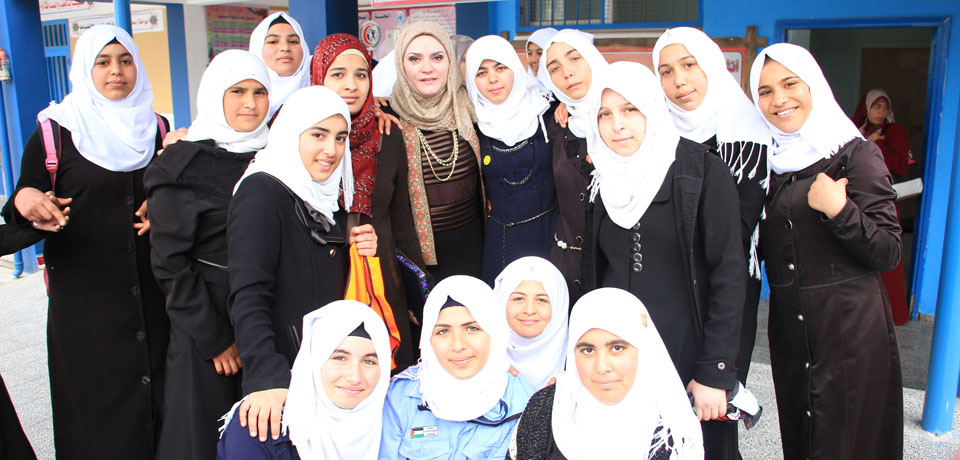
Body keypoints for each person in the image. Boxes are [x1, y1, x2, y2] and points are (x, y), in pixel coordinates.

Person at [0, 25, 170, 459]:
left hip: (154, 303)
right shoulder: (56, 131)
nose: (117, 71)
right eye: (103, 62)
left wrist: (164, 207)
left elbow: (176, 194)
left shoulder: (157, 129)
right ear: (84, 69)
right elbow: (24, 197)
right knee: (95, 418)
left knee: (161, 414)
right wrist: (25, 199)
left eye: (126, 61)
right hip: (86, 309)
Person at [581, 61, 745, 460]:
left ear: (652, 108)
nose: (617, 125)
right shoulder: (604, 178)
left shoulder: (700, 171)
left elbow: (728, 273)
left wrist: (714, 370)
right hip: (621, 358)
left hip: (687, 354)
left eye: (630, 109)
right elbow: (595, 275)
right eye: (604, 114)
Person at [750, 43, 903, 460]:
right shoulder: (767, 163)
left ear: (813, 85)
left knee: (847, 441)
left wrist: (840, 211)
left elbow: (889, 251)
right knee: (802, 438)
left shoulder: (856, 155)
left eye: (790, 84)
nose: (779, 99)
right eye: (765, 91)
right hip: (791, 332)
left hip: (850, 331)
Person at [226, 85, 378, 444]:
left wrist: (356, 247)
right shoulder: (262, 192)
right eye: (318, 135)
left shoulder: (318, 197)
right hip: (284, 384)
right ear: (292, 133)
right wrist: (266, 377)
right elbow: (248, 294)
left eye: (340, 138)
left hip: (322, 379)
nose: (332, 150)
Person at [145, 49, 270, 459]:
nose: (250, 103)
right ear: (215, 94)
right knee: (202, 437)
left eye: (259, 92)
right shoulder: (182, 165)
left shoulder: (278, 153)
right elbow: (169, 263)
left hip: (266, 318)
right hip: (207, 327)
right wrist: (215, 340)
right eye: (237, 92)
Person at [653, 26, 771, 385]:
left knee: (714, 396)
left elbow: (739, 230)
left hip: (723, 291)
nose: (679, 80)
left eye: (689, 65)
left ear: (711, 65)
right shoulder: (656, 134)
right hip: (663, 287)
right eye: (666, 71)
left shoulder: (749, 135)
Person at [310, 33, 425, 369]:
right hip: (322, 284)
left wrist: (415, 293)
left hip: (381, 281)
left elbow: (401, 219)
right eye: (338, 74)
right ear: (320, 76)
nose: (351, 85)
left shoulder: (387, 134)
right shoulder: (298, 135)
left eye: (361, 74)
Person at [508, 287, 704, 460]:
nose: (601, 366)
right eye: (587, 350)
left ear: (642, 350)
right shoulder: (549, 406)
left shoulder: (672, 424)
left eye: (617, 348)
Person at [379, 275, 536, 459]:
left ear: (494, 333)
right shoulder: (402, 395)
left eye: (472, 329)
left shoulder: (523, 401)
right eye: (443, 331)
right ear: (428, 339)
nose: (458, 345)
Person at [217, 300, 392, 460]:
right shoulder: (263, 421)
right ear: (313, 360)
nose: (354, 377)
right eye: (339, 358)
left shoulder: (391, 422)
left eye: (369, 362)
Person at [387, 21, 483, 281]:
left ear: (450, 60)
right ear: (400, 64)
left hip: (477, 250)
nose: (427, 68)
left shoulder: (472, 107)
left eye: (437, 57)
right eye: (414, 59)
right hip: (417, 262)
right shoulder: (387, 119)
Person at [465, 35, 557, 283]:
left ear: (514, 68)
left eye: (500, 68)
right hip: (502, 242)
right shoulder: (470, 123)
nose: (492, 79)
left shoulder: (547, 110)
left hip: (551, 234)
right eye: (481, 72)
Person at [538, 29, 608, 302]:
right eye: (554, 68)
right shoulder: (557, 125)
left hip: (614, 266)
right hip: (566, 265)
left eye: (575, 58)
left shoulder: (628, 122)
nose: (567, 73)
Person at [853, 88, 911, 325]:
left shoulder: (894, 131)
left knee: (885, 254)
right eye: (877, 106)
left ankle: (892, 315)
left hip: (882, 201)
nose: (882, 111)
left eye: (885, 107)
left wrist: (878, 145)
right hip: (857, 199)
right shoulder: (856, 130)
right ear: (867, 108)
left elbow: (900, 165)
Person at [493, 256, 568, 389]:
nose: (529, 310)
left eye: (542, 300)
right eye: (519, 299)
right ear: (501, 302)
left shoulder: (580, 364)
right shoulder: (478, 357)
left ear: (558, 306)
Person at [248, 12, 310, 119]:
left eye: (293, 41)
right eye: (273, 42)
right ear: (257, 48)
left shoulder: (322, 93)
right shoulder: (242, 94)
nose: (285, 47)